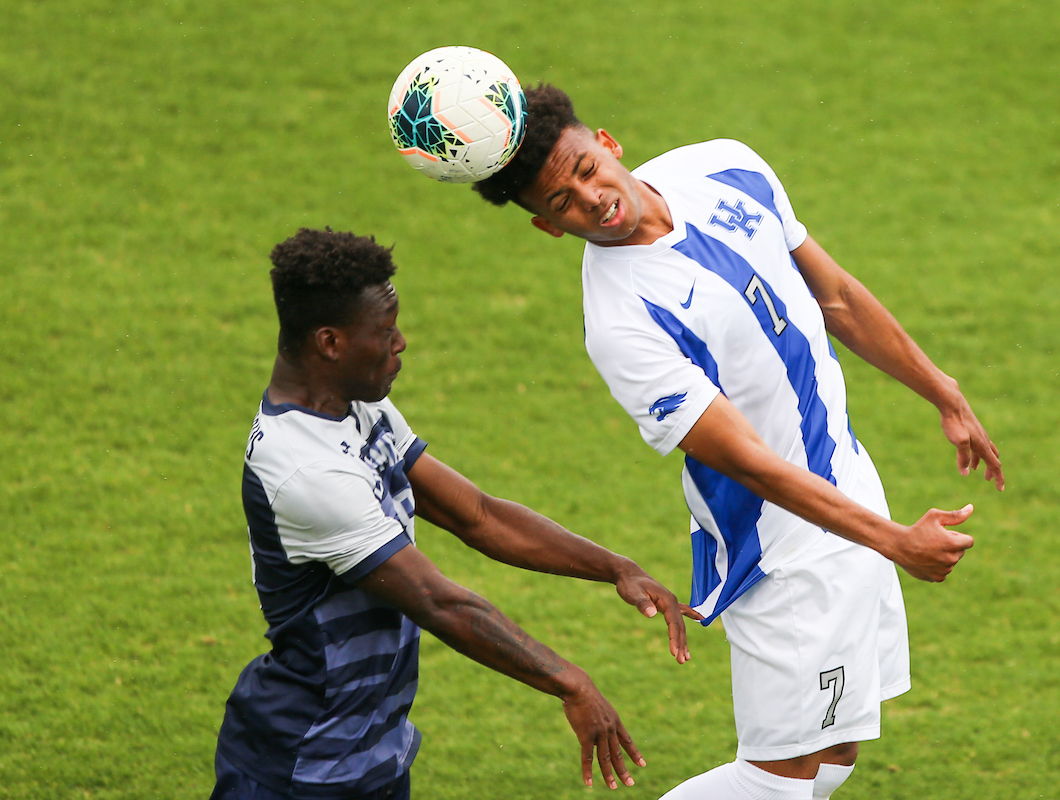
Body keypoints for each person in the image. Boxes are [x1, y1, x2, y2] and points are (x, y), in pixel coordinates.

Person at [471, 85, 1005, 800]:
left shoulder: (725, 167)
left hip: (850, 491)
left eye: (586, 169)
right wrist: (892, 541)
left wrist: (942, 389)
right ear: (547, 228)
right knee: (776, 780)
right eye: (562, 202)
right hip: (784, 548)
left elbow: (835, 295)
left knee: (833, 759)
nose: (590, 198)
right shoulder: (623, 323)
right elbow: (752, 463)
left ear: (607, 142)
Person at [210, 226, 696, 800]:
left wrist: (615, 566)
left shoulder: (358, 410)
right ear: (330, 343)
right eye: (384, 332)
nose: (401, 343)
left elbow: (478, 515)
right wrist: (571, 683)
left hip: (369, 751)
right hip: (297, 765)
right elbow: (441, 603)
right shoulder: (305, 470)